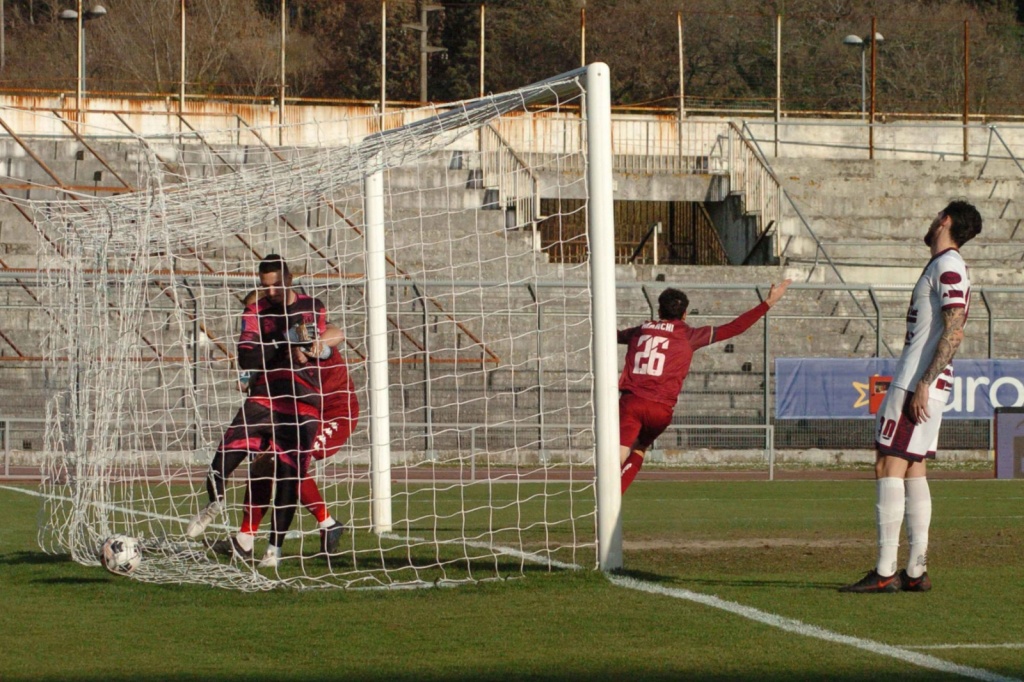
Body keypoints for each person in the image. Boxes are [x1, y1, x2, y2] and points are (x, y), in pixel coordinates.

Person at [840, 200, 981, 594]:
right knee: (914, 468)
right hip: (923, 382)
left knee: (888, 465)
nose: (932, 219)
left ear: (945, 220)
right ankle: (915, 571)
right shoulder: (944, 266)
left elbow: (955, 330)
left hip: (917, 383)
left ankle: (886, 570)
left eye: (937, 215)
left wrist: (923, 382)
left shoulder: (948, 266)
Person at [186, 255, 358, 567]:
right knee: (266, 462)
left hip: (334, 408)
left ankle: (326, 522)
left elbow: (335, 333)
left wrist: (318, 345)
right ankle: (248, 539)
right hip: (283, 406)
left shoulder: (304, 322)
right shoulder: (266, 333)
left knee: (286, 463)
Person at [617, 279, 791, 493]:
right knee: (641, 446)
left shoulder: (640, 331)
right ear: (684, 314)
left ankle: (607, 504)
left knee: (617, 455)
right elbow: (735, 327)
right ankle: (615, 496)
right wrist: (769, 302)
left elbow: (614, 335)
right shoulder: (689, 335)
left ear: (659, 309)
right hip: (661, 411)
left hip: (632, 402)